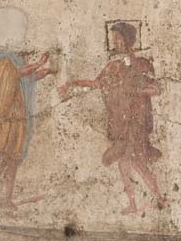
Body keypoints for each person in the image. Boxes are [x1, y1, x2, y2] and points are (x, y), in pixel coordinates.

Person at [61, 21, 165, 214]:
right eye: (114, 38)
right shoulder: (112, 66)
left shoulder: (142, 63)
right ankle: (133, 204)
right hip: (119, 123)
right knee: (124, 163)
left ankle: (159, 197)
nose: (116, 41)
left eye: (119, 37)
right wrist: (72, 83)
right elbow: (96, 83)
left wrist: (139, 90)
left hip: (136, 122)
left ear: (128, 40)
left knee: (137, 162)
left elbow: (156, 89)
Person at [0, 8, 56, 209]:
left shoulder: (13, 59)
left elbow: (24, 79)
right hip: (7, 118)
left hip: (18, 117)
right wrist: (39, 63)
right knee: (5, 158)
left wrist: (44, 72)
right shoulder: (3, 60)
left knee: (14, 160)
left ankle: (6, 199)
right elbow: (16, 75)